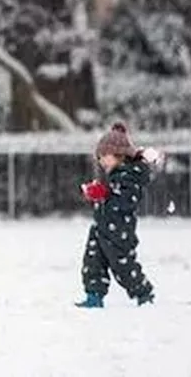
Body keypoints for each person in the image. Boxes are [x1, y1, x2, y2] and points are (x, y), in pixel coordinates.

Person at [74, 121, 163, 308]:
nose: (101, 161)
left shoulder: (130, 177)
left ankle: (143, 292)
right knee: (92, 261)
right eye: (99, 157)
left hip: (118, 230)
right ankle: (94, 295)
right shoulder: (114, 176)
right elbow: (110, 196)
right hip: (101, 226)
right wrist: (98, 193)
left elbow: (124, 201)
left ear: (119, 155)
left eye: (104, 156)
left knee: (123, 265)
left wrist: (104, 193)